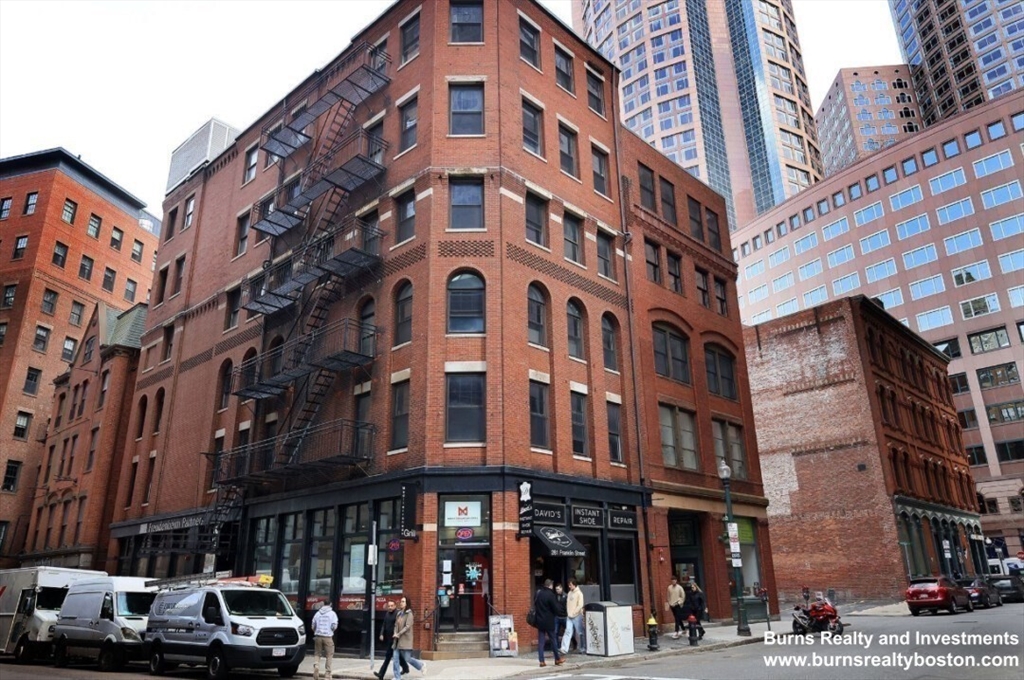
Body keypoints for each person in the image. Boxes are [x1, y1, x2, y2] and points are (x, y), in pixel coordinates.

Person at [392, 596, 425, 680]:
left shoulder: (409, 614)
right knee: (395, 659)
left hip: (405, 640)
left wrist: (399, 634)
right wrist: (395, 633)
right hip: (397, 640)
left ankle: (421, 665)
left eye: (403, 601)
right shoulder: (399, 613)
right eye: (401, 601)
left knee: (407, 658)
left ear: (407, 603)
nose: (401, 603)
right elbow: (396, 625)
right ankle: (397, 677)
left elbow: (407, 627)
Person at [534, 579, 563, 668]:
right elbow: (556, 608)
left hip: (540, 620)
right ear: (550, 585)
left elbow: (535, 604)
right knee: (553, 640)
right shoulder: (551, 595)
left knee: (541, 641)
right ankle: (557, 659)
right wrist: (559, 611)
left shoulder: (538, 593)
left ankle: (542, 661)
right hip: (549, 621)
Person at [377, 600, 409, 680]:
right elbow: (384, 624)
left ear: (395, 606)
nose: (390, 607)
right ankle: (405, 668)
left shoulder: (398, 614)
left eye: (392, 606)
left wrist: (398, 635)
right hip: (389, 639)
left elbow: (400, 625)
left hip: (395, 639)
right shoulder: (387, 614)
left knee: (388, 656)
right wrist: (381, 634)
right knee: (397, 656)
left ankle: (381, 674)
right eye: (389, 606)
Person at [311, 600, 338, 680]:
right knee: (329, 655)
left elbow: (313, 626)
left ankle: (316, 665)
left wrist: (316, 631)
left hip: (318, 636)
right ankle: (327, 674)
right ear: (330, 604)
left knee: (317, 653)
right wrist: (331, 630)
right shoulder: (332, 614)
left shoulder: (317, 613)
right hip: (328, 637)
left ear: (323, 604)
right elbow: (334, 626)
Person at [560, 578, 586, 655]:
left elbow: (580, 605)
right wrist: (569, 613)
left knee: (580, 632)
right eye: (569, 585)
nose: (569, 586)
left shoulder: (579, 594)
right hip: (570, 616)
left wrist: (574, 612)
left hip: (577, 616)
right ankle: (564, 649)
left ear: (574, 584)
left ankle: (583, 648)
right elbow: (568, 604)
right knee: (568, 631)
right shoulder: (569, 593)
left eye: (570, 585)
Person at [667, 575, 687, 639]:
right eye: (672, 580)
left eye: (674, 580)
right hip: (672, 605)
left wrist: (679, 602)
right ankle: (683, 629)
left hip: (677, 604)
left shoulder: (679, 588)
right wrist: (669, 602)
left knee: (677, 618)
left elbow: (683, 596)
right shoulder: (669, 587)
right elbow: (668, 596)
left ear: (676, 581)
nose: (673, 582)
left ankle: (676, 631)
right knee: (677, 617)